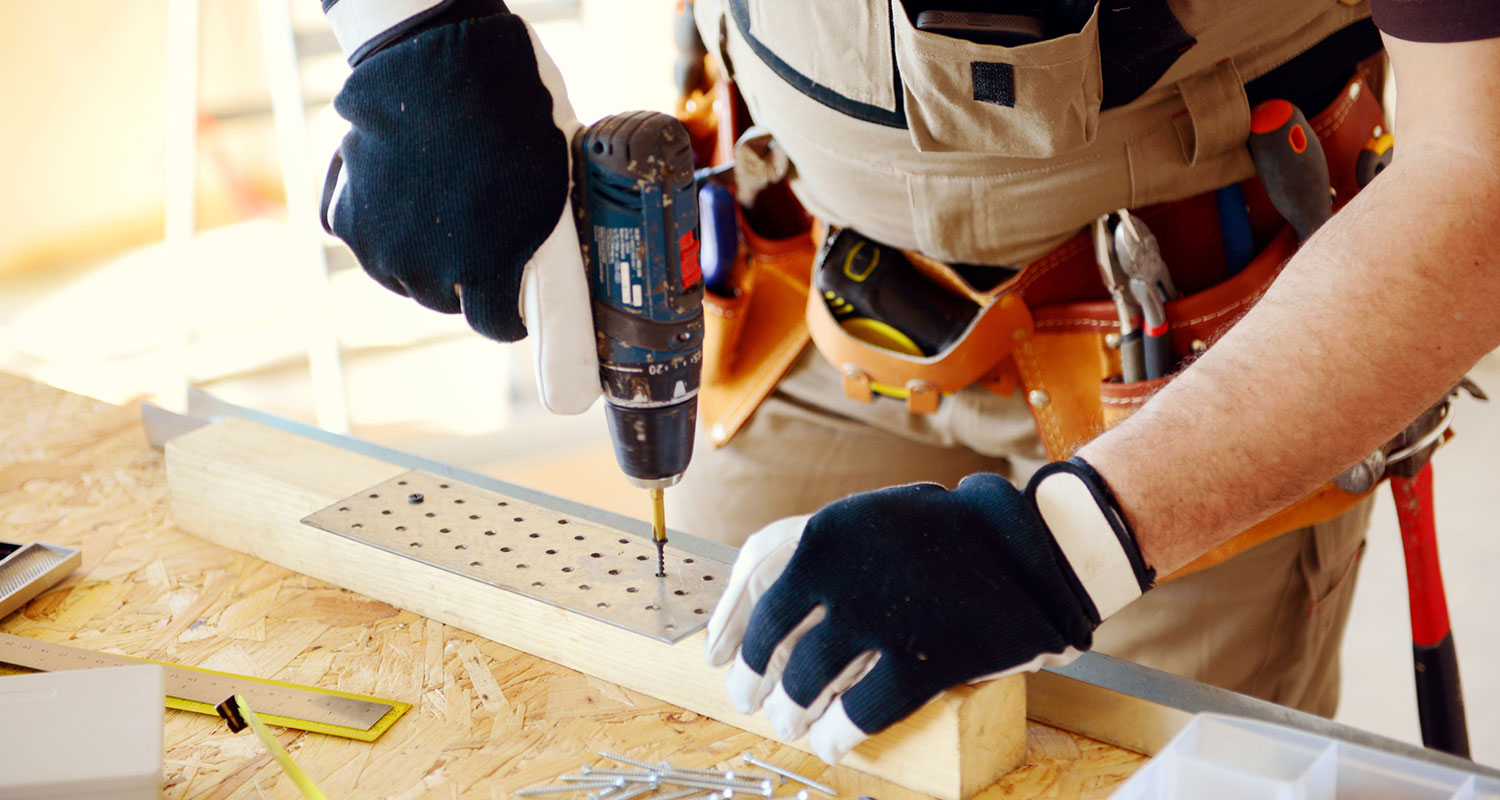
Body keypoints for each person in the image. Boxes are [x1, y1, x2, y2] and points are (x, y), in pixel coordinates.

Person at [316, 0, 1500, 765]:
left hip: (1185, 363)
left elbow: (1477, 170)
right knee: (732, 751)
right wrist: (412, 33)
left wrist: (1074, 543)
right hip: (796, 278)